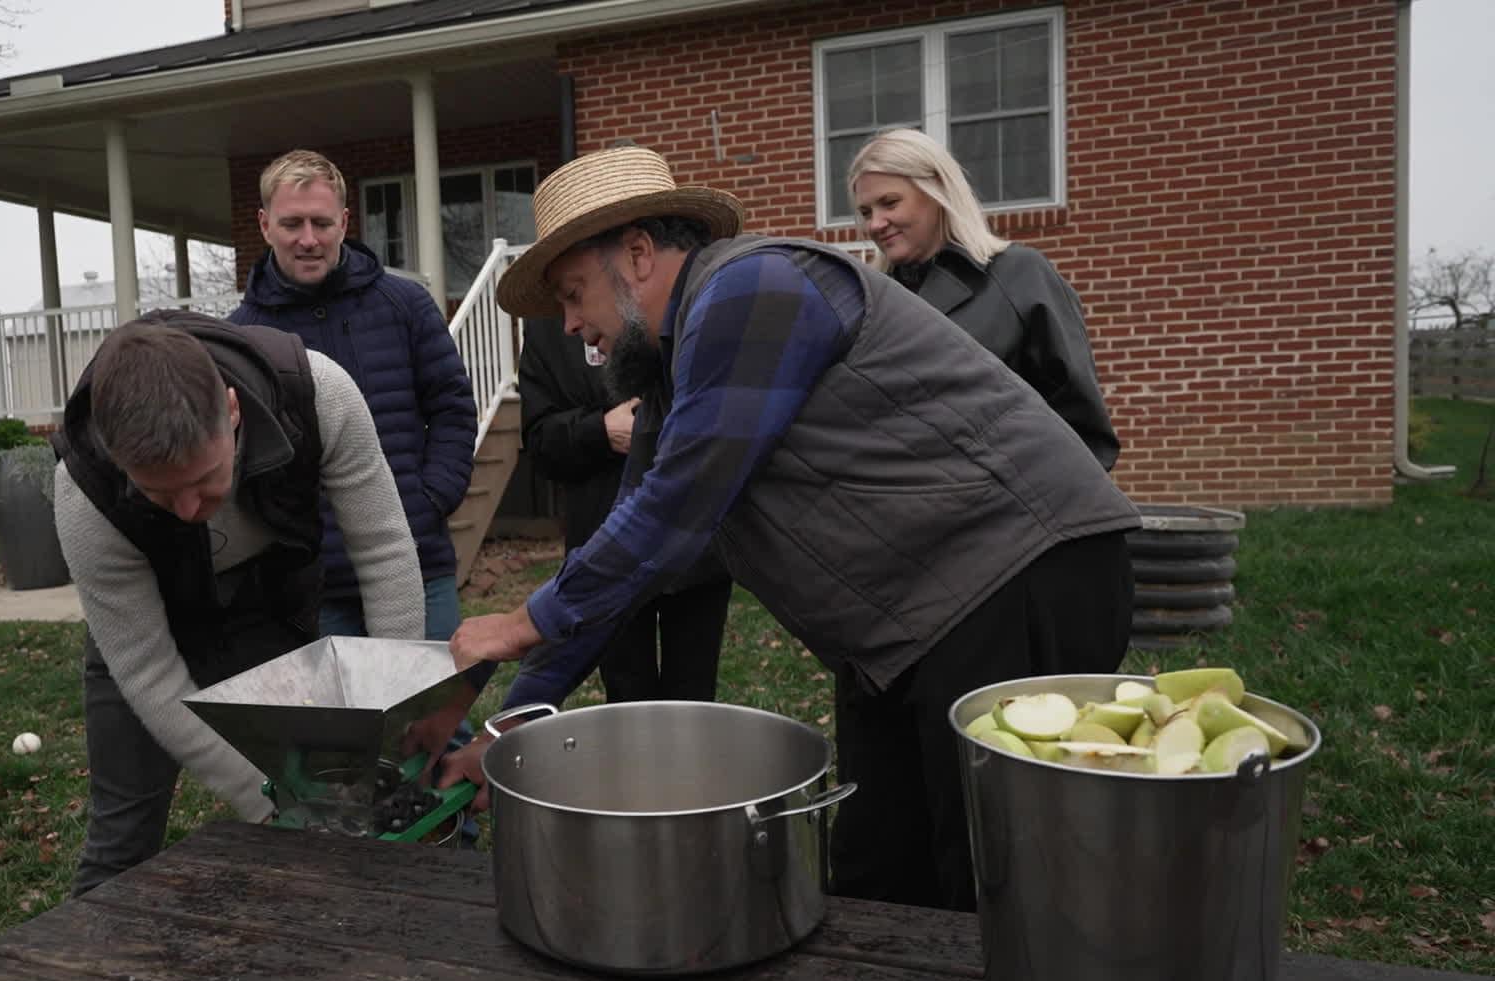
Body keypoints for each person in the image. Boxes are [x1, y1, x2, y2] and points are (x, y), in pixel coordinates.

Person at [435, 146, 1140, 913]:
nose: (573, 327)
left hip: (1018, 572)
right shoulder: (676, 382)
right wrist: (505, 729)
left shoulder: (754, 285)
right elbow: (628, 560)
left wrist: (516, 623)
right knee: (878, 877)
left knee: (993, 877)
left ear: (637, 255)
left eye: (574, 294)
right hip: (904, 630)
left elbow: (677, 506)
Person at [51, 310, 425, 897]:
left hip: (267, 608)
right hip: (147, 630)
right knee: (122, 838)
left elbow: (384, 553)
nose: (187, 509)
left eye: (205, 479)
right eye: (157, 492)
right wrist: (267, 800)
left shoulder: (317, 393)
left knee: (332, 804)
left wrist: (392, 713)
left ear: (231, 409)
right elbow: (148, 671)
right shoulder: (85, 494)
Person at [230, 149, 478, 643]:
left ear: (345, 222)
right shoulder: (242, 338)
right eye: (292, 223)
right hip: (315, 584)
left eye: (321, 223)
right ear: (264, 225)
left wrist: (429, 501)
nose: (308, 239)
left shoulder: (405, 305)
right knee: (343, 720)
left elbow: (452, 409)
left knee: (432, 716)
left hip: (417, 561)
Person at [849, 127, 1119, 469]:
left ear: (937, 192)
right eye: (865, 212)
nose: (875, 224)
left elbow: (1083, 428)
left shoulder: (1020, 276)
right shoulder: (870, 302)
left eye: (889, 203)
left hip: (1011, 511)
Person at [518, 315, 732, 702]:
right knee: (627, 692)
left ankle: (693, 763)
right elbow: (539, 441)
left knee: (694, 692)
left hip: (693, 541)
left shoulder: (673, 304)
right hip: (604, 547)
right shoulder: (549, 328)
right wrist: (598, 430)